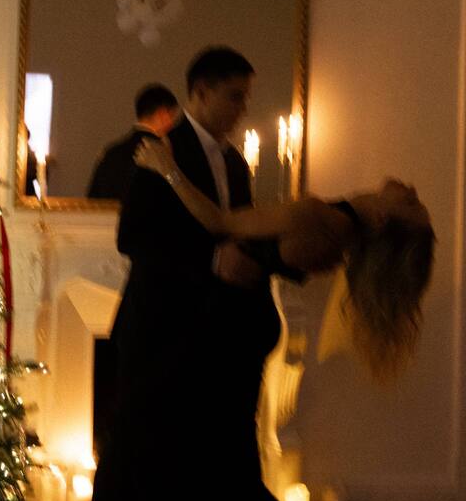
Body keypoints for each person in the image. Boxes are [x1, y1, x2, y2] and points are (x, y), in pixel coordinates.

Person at [83, 46, 303, 501]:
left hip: (209, 335)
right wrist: (209, 262)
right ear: (201, 93)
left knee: (190, 461)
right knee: (130, 454)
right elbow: (134, 238)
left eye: (246, 97)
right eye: (235, 96)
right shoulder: (158, 153)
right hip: (155, 330)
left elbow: (239, 231)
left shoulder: (234, 164)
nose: (243, 107)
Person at [135, 136, 435, 383]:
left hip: (222, 329)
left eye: (410, 202)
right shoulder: (336, 241)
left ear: (381, 220)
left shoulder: (318, 218)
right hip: (239, 326)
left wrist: (165, 166)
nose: (411, 189)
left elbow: (218, 222)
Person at [86, 83, 179, 201]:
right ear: (162, 114)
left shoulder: (110, 152)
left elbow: (92, 198)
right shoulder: (161, 151)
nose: (172, 124)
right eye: (172, 116)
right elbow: (174, 192)